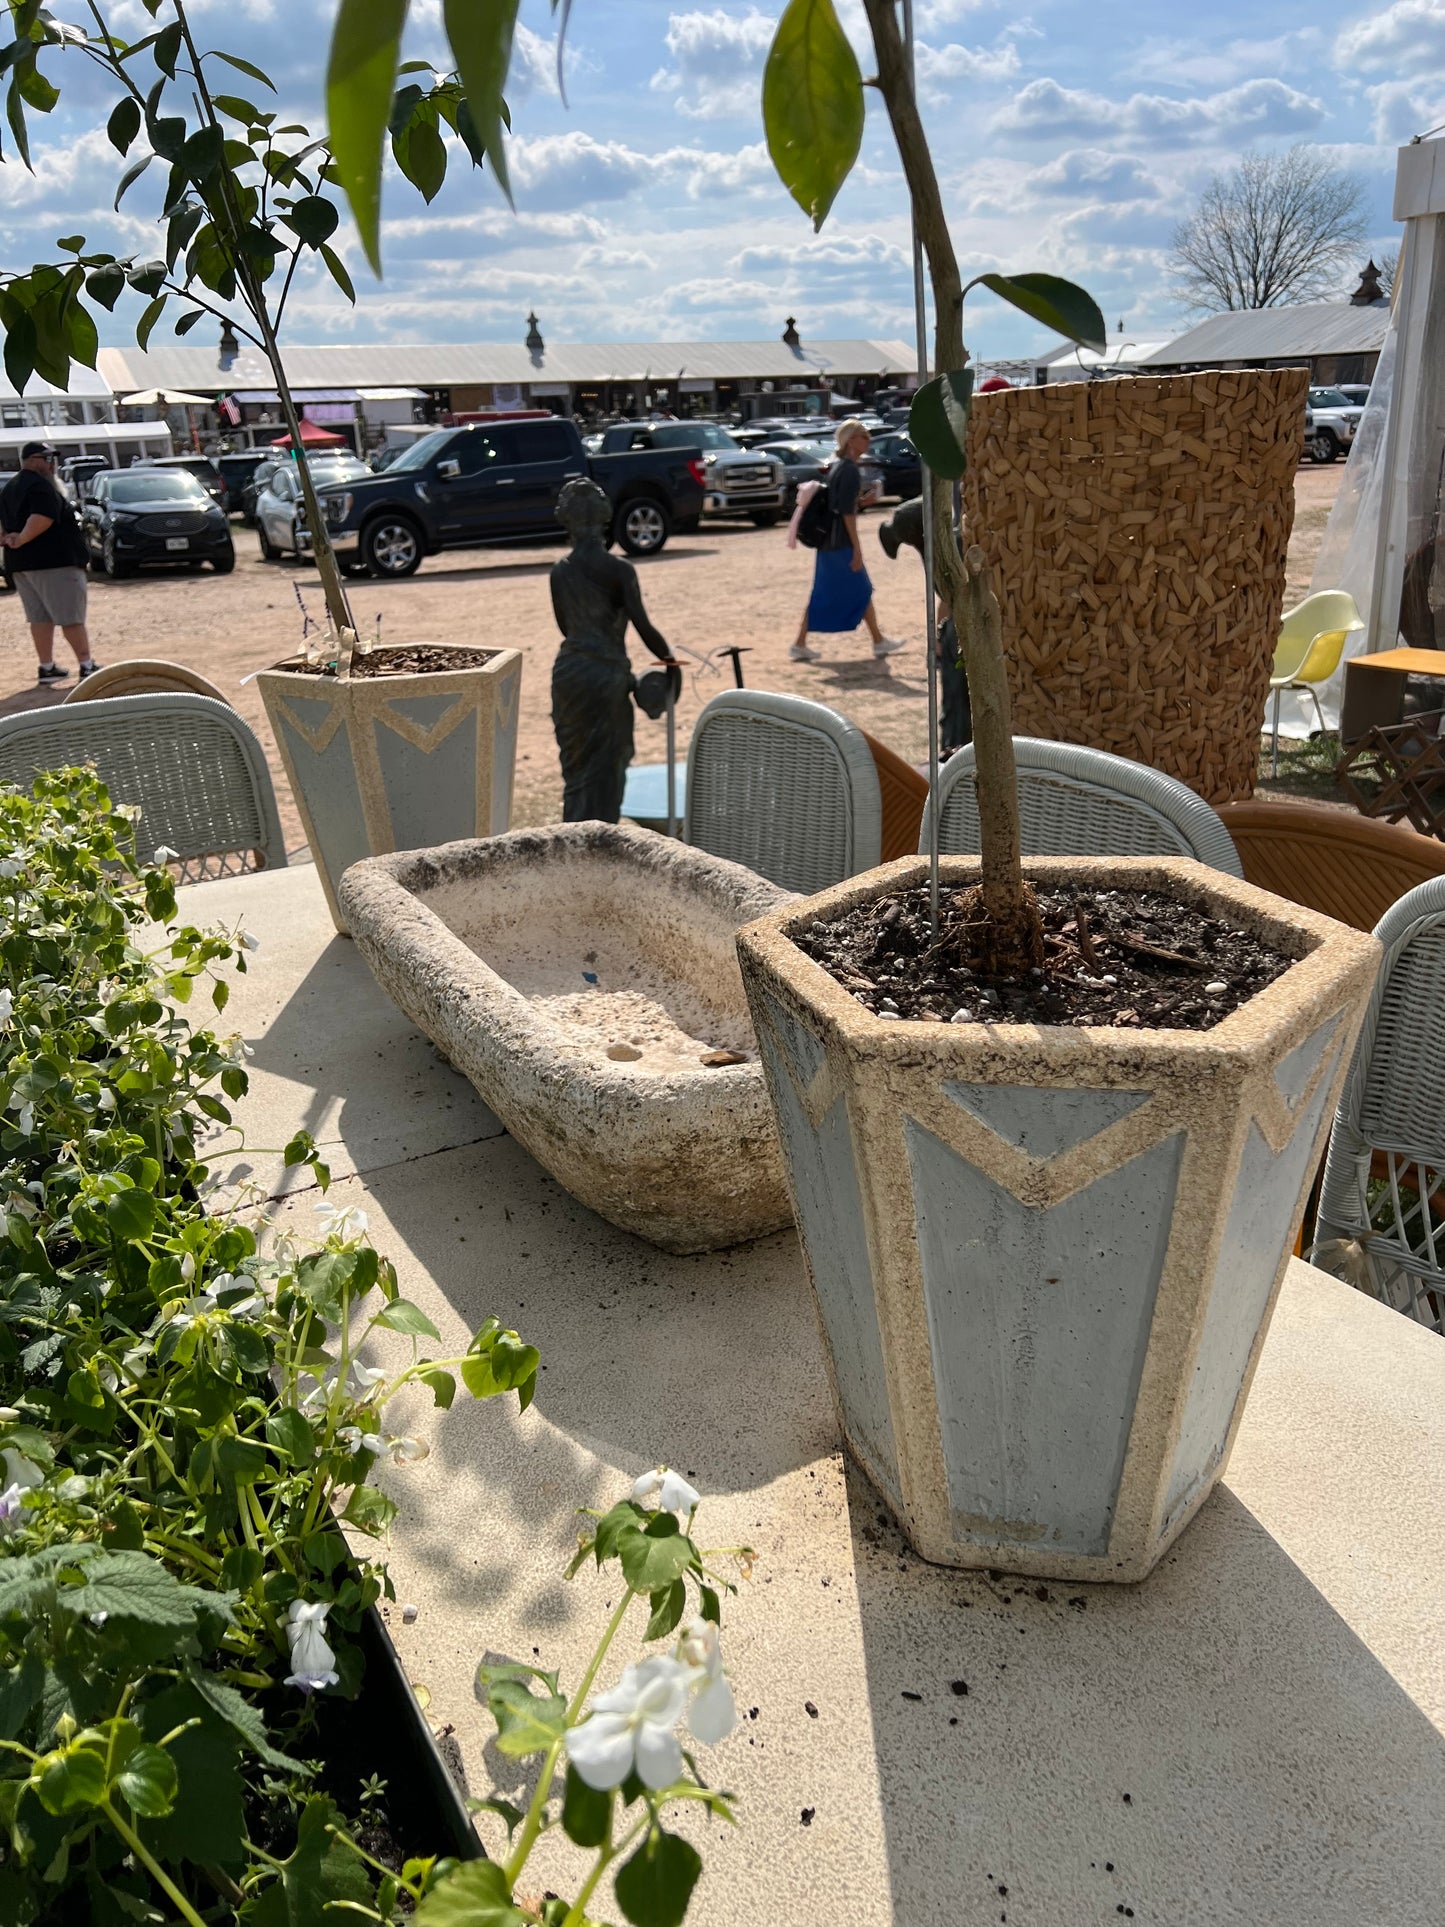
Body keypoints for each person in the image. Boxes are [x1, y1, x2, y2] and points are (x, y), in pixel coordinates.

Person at [549, 476, 675, 822]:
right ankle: (600, 836)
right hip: (606, 675)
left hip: (570, 673)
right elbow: (643, 626)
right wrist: (671, 664)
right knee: (611, 762)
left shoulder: (559, 572)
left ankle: (574, 835)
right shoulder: (619, 569)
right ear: (605, 518)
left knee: (575, 769)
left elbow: (566, 627)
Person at [791, 418, 906, 664]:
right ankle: (801, 643)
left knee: (855, 591)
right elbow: (845, 513)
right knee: (852, 590)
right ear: (851, 441)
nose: (869, 439)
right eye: (864, 435)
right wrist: (857, 547)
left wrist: (861, 502)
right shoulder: (850, 470)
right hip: (839, 543)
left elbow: (840, 505)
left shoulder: (839, 466)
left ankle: (877, 641)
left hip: (830, 542)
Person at [0, 442, 100, 684]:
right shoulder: (40, 486)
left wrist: (8, 539)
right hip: (54, 562)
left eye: (52, 459)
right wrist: (22, 538)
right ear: (31, 460)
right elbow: (42, 517)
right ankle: (86, 665)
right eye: (46, 459)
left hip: (22, 564)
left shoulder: (10, 487)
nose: (51, 464)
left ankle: (47, 666)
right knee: (70, 617)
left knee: (40, 617)